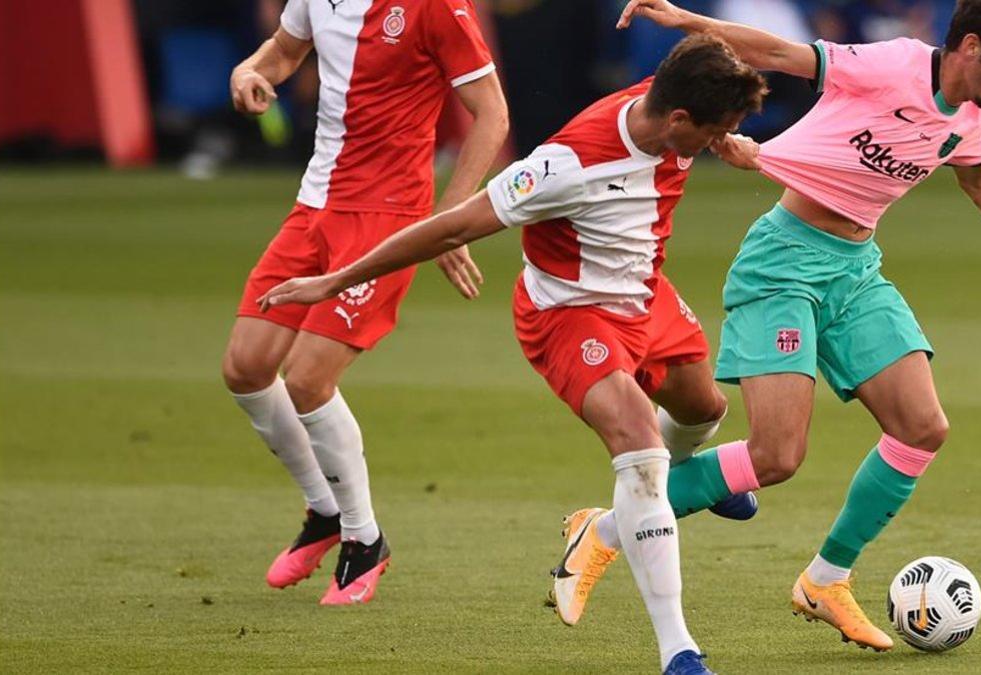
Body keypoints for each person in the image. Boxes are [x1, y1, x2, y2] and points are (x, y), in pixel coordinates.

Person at [256, 34, 768, 675]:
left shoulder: (673, 104)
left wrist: (726, 139)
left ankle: (622, 518)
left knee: (704, 410)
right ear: (677, 121)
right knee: (640, 446)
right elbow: (454, 225)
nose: (718, 143)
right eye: (716, 131)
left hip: (643, 290)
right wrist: (332, 282)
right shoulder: (565, 166)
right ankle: (679, 651)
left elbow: (706, 72)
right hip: (569, 312)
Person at [604, 0, 981, 652]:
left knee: (922, 426)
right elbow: (778, 54)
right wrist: (688, 20)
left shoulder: (973, 116)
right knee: (776, 454)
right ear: (972, 46)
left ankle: (826, 579)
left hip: (855, 267)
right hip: (785, 260)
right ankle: (609, 526)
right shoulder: (893, 67)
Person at [220, 0, 508, 605]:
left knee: (306, 378)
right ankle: (325, 511)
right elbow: (285, 50)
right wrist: (251, 71)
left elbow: (492, 115)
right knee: (246, 368)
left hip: (386, 218)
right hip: (315, 207)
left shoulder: (434, 7)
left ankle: (363, 538)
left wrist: (451, 219)